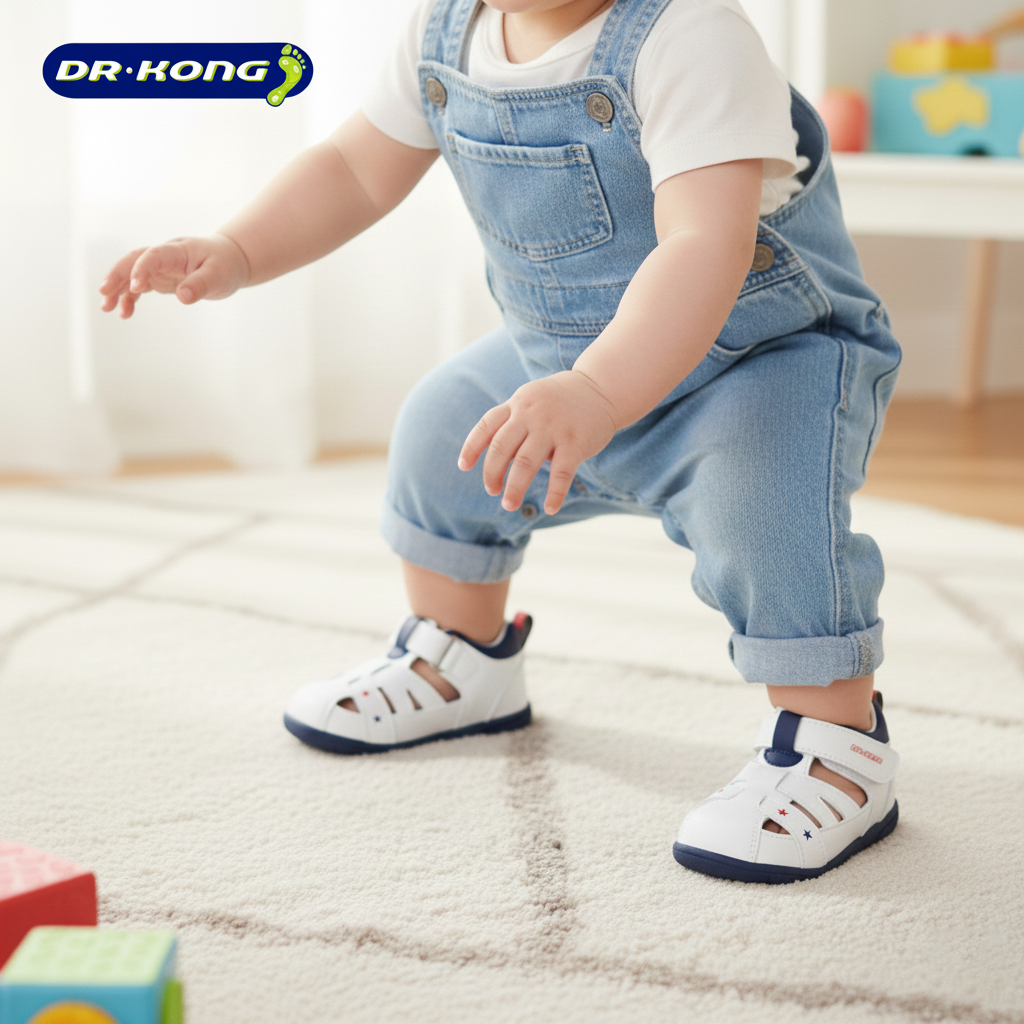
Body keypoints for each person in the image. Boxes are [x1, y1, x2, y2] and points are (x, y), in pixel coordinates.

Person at [99, 0, 902, 884]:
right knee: (440, 430)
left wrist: (599, 392)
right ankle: (460, 657)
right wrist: (238, 248)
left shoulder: (691, 37)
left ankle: (834, 742)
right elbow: (353, 170)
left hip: (757, 360)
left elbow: (705, 245)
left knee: (766, 514)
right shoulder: (443, 35)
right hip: (561, 361)